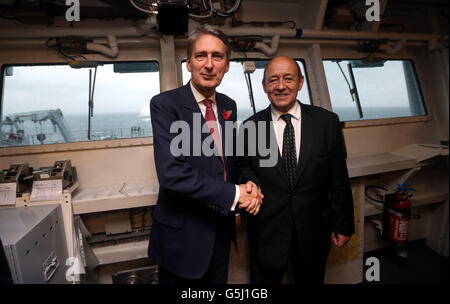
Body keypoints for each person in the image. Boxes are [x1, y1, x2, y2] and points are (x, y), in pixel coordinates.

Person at [148, 25, 263, 284]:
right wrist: (235, 195)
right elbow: (172, 174)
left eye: (217, 57)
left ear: (227, 65)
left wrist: (247, 184)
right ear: (188, 63)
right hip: (183, 237)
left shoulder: (228, 106)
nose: (209, 65)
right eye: (201, 56)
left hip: (221, 230)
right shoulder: (165, 105)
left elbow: (228, 162)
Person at [236, 56, 355, 284]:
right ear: (264, 86)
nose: (281, 86)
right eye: (273, 80)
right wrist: (251, 181)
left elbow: (339, 177)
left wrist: (343, 224)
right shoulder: (250, 127)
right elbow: (243, 167)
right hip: (266, 233)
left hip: (313, 231)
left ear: (300, 82)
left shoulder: (326, 123)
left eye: (288, 79)